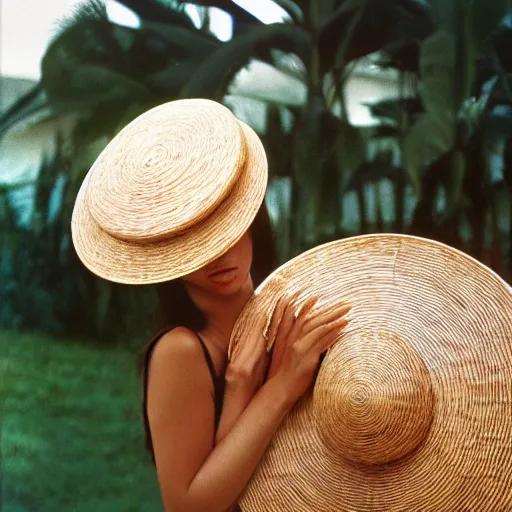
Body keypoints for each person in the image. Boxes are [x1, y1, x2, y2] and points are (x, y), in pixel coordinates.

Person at [71, 99, 350, 512]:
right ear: (163, 253)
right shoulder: (181, 351)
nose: (218, 255)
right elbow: (188, 507)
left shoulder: (292, 321)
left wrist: (242, 387)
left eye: (225, 227)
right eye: (192, 241)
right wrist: (278, 387)